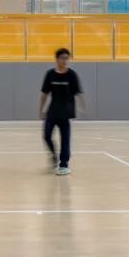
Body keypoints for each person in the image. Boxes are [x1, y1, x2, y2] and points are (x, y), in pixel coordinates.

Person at [39, 48, 84, 176]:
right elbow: (44, 93)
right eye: (62, 58)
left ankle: (64, 165)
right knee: (46, 135)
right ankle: (54, 156)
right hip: (52, 111)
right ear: (57, 59)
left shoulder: (72, 75)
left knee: (65, 139)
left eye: (67, 58)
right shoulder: (50, 74)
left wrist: (82, 107)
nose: (65, 60)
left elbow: (78, 93)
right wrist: (41, 109)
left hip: (66, 112)